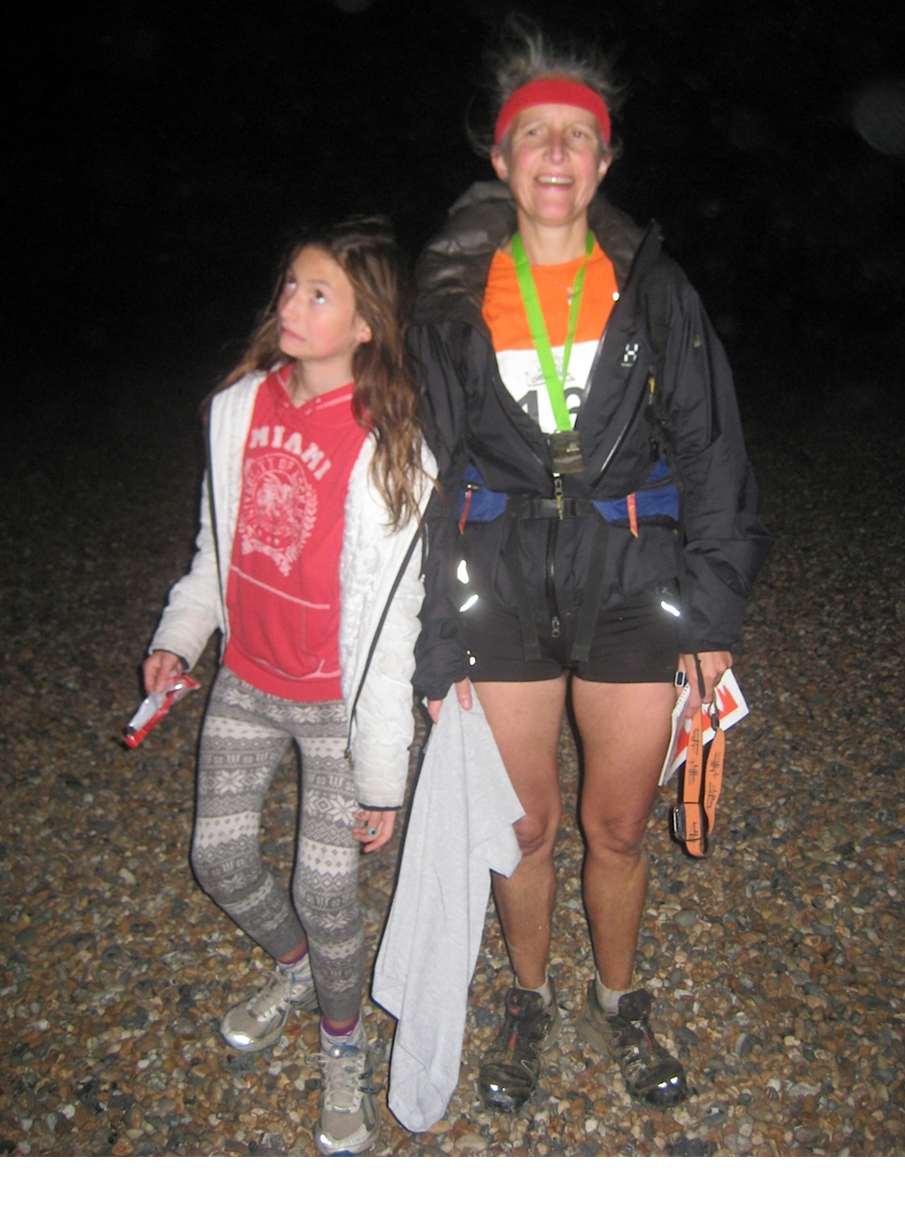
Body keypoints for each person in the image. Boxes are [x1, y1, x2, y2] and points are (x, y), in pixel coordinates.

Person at [410, 26, 771, 1113]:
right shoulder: (451, 298)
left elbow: (712, 454)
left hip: (631, 580)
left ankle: (618, 997)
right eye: (535, 135)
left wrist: (710, 617)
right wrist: (433, 643)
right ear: (500, 159)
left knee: (614, 827)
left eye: (578, 136)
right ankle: (526, 998)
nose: (556, 153)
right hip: (500, 582)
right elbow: (426, 476)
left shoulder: (653, 291)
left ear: (604, 162)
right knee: (522, 828)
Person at [143, 217, 433, 1156]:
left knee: (327, 890)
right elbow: (213, 551)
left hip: (335, 706)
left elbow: (391, 630)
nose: (289, 306)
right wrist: (179, 640)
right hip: (246, 679)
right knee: (219, 860)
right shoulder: (237, 408)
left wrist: (383, 776)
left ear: (366, 325)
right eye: (289, 287)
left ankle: (342, 1044)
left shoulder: (392, 448)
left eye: (318, 294)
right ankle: (297, 969)